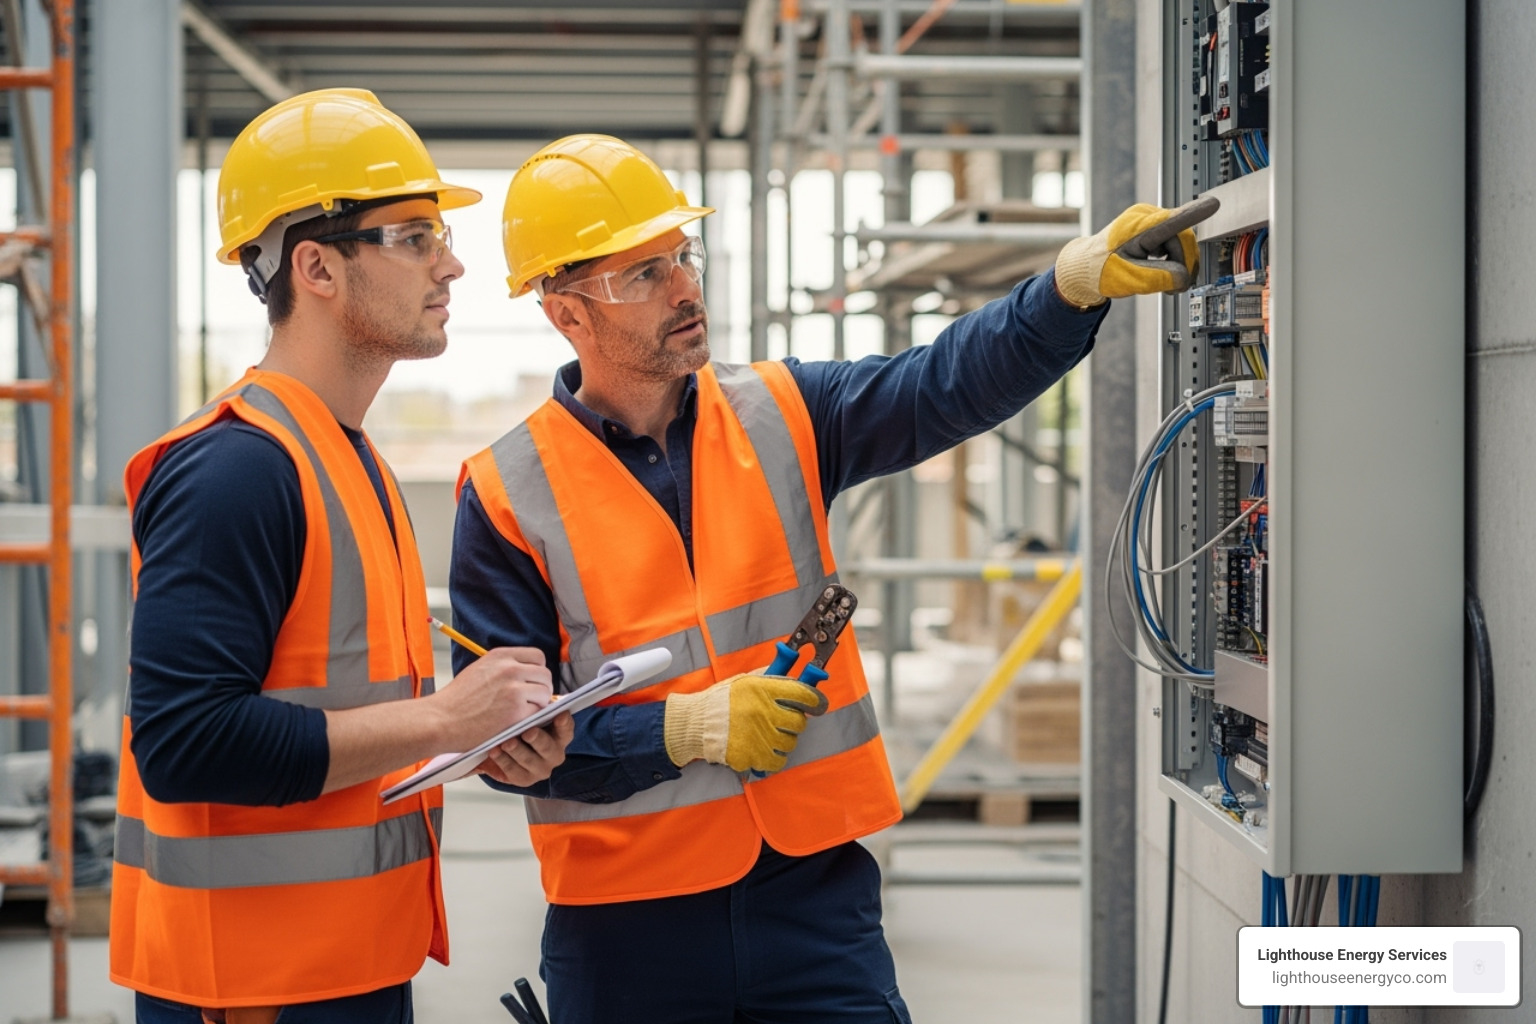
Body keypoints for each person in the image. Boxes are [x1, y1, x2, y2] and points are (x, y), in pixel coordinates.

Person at [450, 134, 1207, 1023]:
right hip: (625, 928)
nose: (685, 288)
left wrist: (1064, 293)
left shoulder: (781, 410)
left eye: (680, 257)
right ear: (566, 312)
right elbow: (506, 747)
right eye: (641, 275)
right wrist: (679, 730)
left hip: (814, 900)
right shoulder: (505, 492)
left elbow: (939, 386)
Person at [109, 89, 574, 1024]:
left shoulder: (344, 455)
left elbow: (349, 713)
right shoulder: (235, 471)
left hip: (340, 970)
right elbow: (185, 743)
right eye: (412, 237)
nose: (451, 264)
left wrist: (486, 736)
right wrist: (444, 721)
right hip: (248, 991)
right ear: (316, 266)